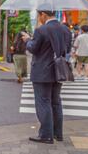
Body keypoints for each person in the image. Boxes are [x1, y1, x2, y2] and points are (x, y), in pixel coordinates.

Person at [22, 10, 71, 144]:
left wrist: (28, 41)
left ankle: (46, 135)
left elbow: (34, 48)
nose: (39, 18)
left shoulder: (41, 30)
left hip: (42, 71)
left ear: (43, 14)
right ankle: (58, 133)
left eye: (39, 15)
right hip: (59, 70)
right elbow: (68, 49)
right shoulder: (65, 30)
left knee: (43, 102)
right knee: (56, 102)